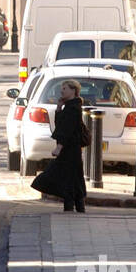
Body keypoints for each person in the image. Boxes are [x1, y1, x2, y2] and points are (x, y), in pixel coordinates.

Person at [30, 79, 88, 212]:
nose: (61, 91)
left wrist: (59, 147)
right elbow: (60, 124)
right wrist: (58, 108)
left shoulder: (73, 108)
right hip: (70, 148)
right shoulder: (69, 106)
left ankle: (72, 204)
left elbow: (67, 129)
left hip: (70, 148)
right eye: (62, 88)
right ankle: (77, 206)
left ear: (73, 91)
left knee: (56, 174)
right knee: (73, 177)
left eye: (65, 89)